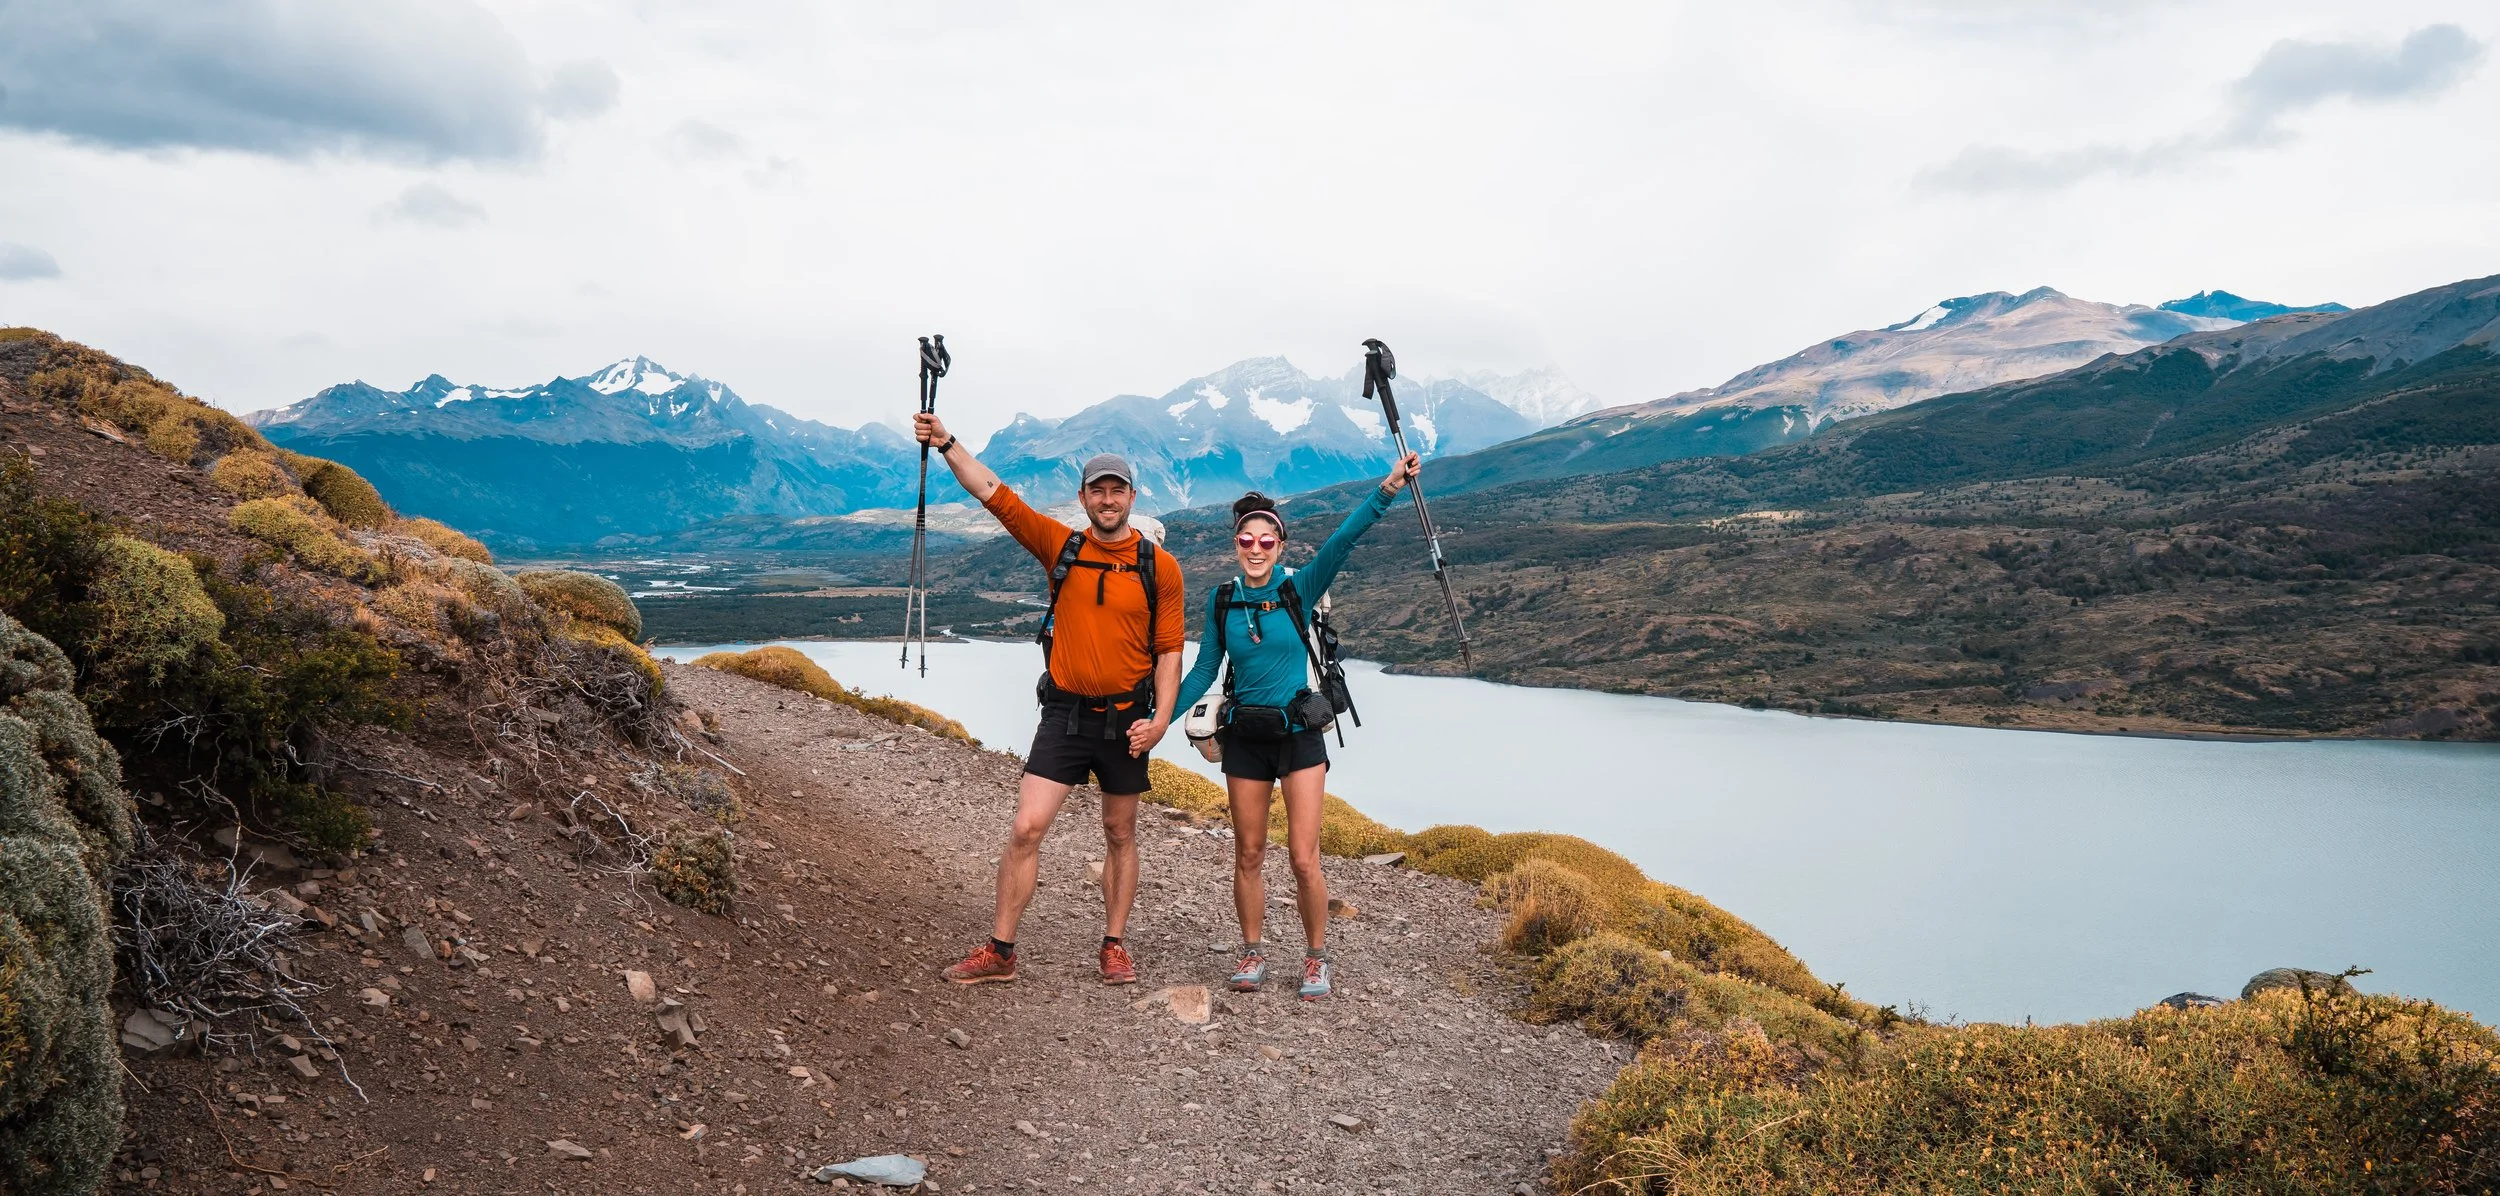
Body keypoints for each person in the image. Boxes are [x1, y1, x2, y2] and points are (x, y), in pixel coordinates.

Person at [913, 413, 1185, 987]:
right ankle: (1001, 951)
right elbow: (996, 495)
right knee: (1026, 828)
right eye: (1098, 490)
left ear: (1132, 497)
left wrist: (1160, 720)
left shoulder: (1160, 567)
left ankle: (1114, 944)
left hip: (1127, 720)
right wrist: (947, 443)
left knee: (1119, 833)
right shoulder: (1060, 546)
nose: (1107, 500)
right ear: (1083, 497)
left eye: (1117, 490)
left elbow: (1168, 652)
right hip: (1064, 713)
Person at [1173, 452, 1419, 1000]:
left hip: (1299, 737)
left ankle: (1315, 957)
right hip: (1246, 740)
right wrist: (1155, 721)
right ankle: (1252, 951)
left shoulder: (1298, 590)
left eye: (1266, 541)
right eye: (1246, 540)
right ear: (1235, 546)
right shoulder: (1221, 602)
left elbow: (1343, 541)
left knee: (1304, 857)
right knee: (1249, 853)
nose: (1256, 548)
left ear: (1280, 547)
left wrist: (1389, 487)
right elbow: (1204, 672)